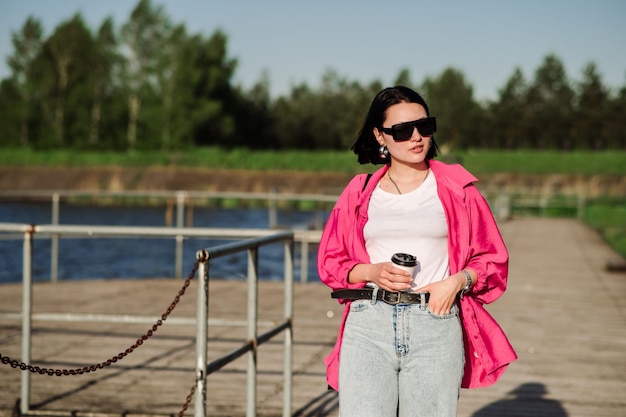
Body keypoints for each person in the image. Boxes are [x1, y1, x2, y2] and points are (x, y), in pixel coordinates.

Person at [317, 86, 517, 417]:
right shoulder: (359, 191)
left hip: (435, 324)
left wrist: (457, 281)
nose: (416, 137)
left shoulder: (459, 189)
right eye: (402, 130)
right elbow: (331, 263)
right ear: (380, 136)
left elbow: (492, 259)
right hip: (369, 324)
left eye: (424, 126)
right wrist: (371, 272)